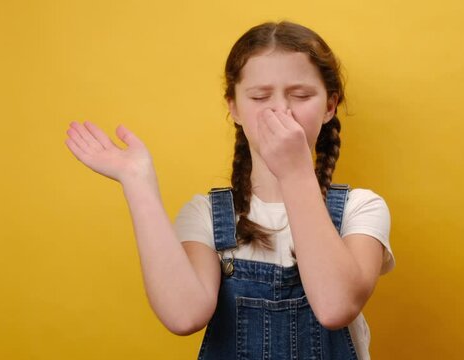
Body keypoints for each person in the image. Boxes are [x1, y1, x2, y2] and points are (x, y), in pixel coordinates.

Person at [65, 20, 395, 360]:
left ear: (329, 105)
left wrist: (295, 171)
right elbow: (183, 315)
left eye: (300, 95)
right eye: (260, 96)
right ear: (234, 107)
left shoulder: (361, 208)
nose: (280, 109)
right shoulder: (206, 216)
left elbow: (334, 306)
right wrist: (138, 182)